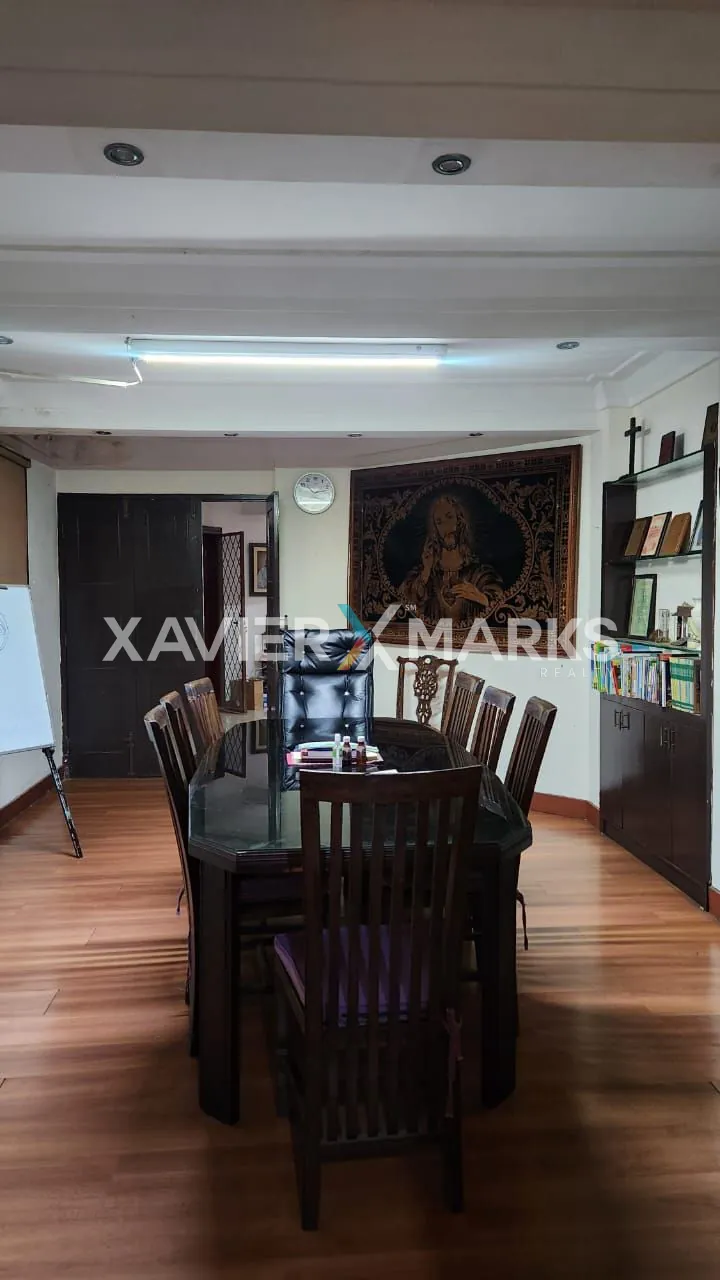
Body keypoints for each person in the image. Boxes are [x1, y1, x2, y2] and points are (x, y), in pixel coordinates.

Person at [399, 493, 504, 625]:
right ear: (436, 530)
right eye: (439, 522)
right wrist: (426, 571)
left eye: (449, 517)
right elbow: (406, 608)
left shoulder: (479, 573)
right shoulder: (427, 573)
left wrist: (480, 597)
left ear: (459, 521)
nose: (446, 526)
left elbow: (501, 608)